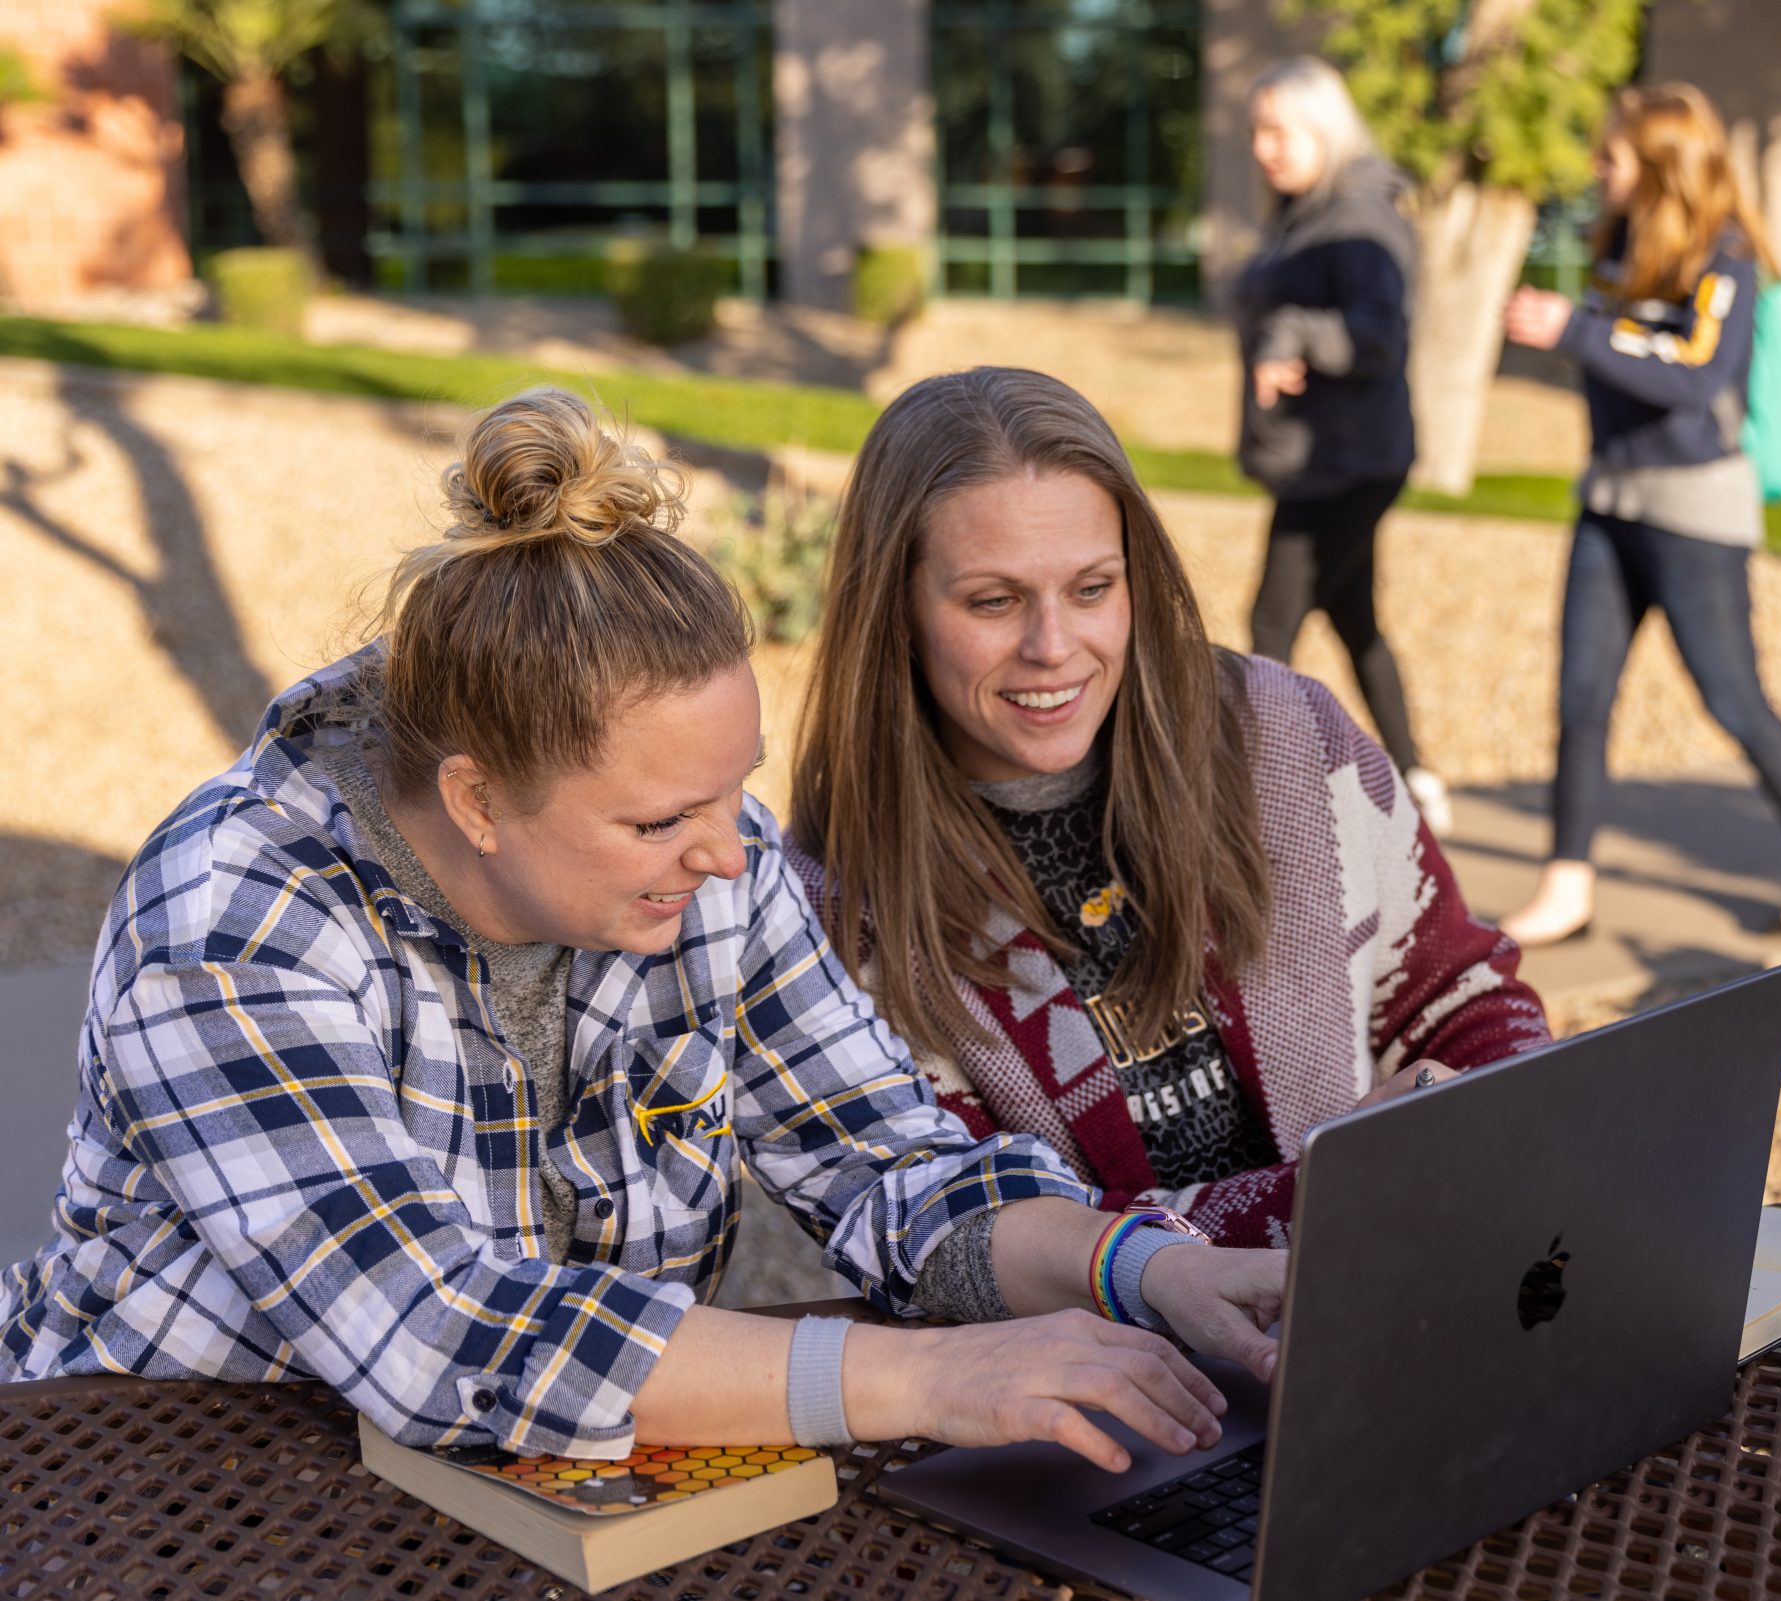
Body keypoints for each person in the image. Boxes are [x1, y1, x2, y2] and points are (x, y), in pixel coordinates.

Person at [0, 388, 1285, 1477]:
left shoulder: (707, 856)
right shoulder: (231, 922)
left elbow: (891, 1161)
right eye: (666, 817)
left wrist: (1140, 1268)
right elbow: (446, 1337)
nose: (733, 854)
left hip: (535, 1483)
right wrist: (934, 1379)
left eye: (737, 790)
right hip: (154, 1477)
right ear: (476, 798)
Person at [786, 367, 1552, 1251]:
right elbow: (980, 1239)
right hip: (1096, 1375)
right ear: (895, 612)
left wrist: (1519, 1123)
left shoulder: (1287, 731)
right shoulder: (833, 900)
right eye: (993, 601)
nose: (1054, 646)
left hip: (1389, 1286)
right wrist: (1338, 1190)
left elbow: (1457, 995)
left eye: (1092, 588)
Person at [1496, 83, 1781, 946]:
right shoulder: (1622, 247)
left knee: (1734, 700)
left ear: (1660, 167)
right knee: (1580, 699)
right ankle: (1567, 882)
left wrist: (1576, 332)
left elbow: (1693, 376)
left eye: (1611, 156)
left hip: (1695, 518)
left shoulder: (1725, 259)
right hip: (1608, 505)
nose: (1598, 168)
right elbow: (1627, 366)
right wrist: (1584, 332)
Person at [1232, 56, 1452, 836]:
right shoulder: (1308, 211)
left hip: (1343, 463)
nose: (1262, 147)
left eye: (1277, 130)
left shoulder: (1357, 221)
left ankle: (1264, 805)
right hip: (1324, 457)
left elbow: (1379, 338)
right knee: (1354, 616)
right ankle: (1418, 779)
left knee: (1269, 626)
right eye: (1256, 130)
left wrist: (1291, 334)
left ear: (1322, 128)